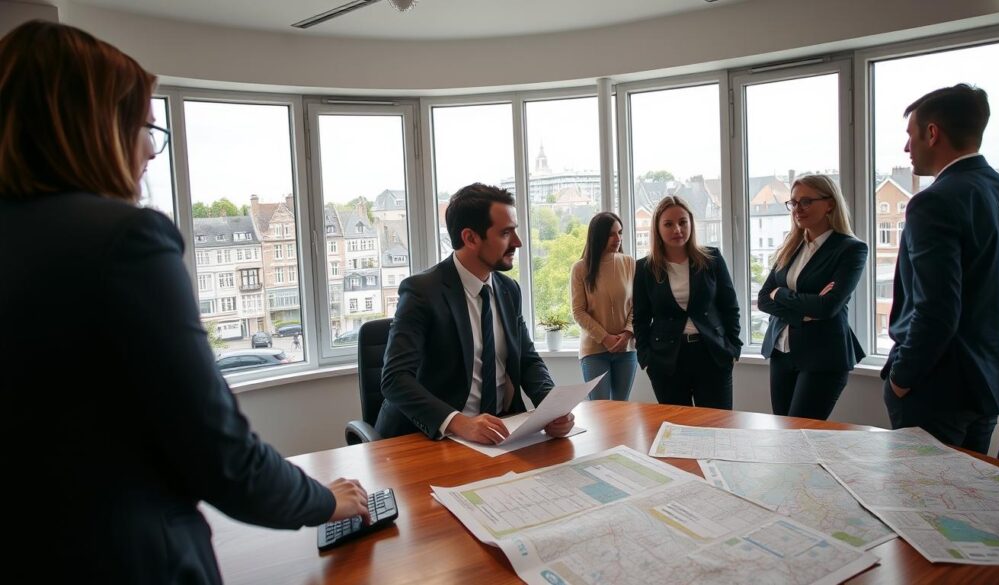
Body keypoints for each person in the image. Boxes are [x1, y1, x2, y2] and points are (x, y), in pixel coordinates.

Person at [0, 21, 368, 584]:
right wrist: (324, 501)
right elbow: (221, 455)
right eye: (144, 124)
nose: (149, 148)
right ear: (90, 125)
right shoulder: (124, 240)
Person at [883, 83, 999, 453]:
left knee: (919, 504)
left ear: (933, 133)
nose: (906, 148)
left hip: (936, 386)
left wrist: (901, 378)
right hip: (989, 380)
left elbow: (936, 309)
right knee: (968, 504)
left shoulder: (933, 203)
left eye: (910, 135)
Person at [377, 183, 575, 443]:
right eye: (506, 233)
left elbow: (527, 359)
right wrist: (460, 423)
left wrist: (552, 409)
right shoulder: (422, 292)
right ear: (470, 238)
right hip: (434, 438)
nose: (518, 242)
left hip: (502, 431)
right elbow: (395, 379)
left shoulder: (508, 289)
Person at [757, 175, 867, 420]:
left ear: (829, 204)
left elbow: (828, 307)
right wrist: (804, 310)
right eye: (793, 203)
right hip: (781, 350)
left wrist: (782, 293)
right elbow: (764, 298)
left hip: (823, 355)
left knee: (803, 434)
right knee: (783, 432)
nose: (798, 209)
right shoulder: (791, 245)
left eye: (806, 201)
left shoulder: (850, 249)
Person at [633, 196, 742, 408]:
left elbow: (730, 307)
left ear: (691, 223)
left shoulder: (712, 259)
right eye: (669, 224)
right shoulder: (645, 268)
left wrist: (733, 348)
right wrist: (646, 359)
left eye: (683, 222)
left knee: (717, 427)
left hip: (712, 355)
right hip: (666, 360)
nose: (677, 229)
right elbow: (641, 318)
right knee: (677, 430)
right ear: (657, 228)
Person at [570, 212, 637, 401]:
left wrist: (627, 334)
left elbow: (637, 305)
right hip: (594, 351)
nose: (618, 238)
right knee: (600, 411)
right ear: (598, 236)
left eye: (620, 232)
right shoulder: (580, 268)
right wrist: (605, 338)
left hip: (626, 349)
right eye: (611, 234)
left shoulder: (630, 263)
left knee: (621, 409)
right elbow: (578, 311)